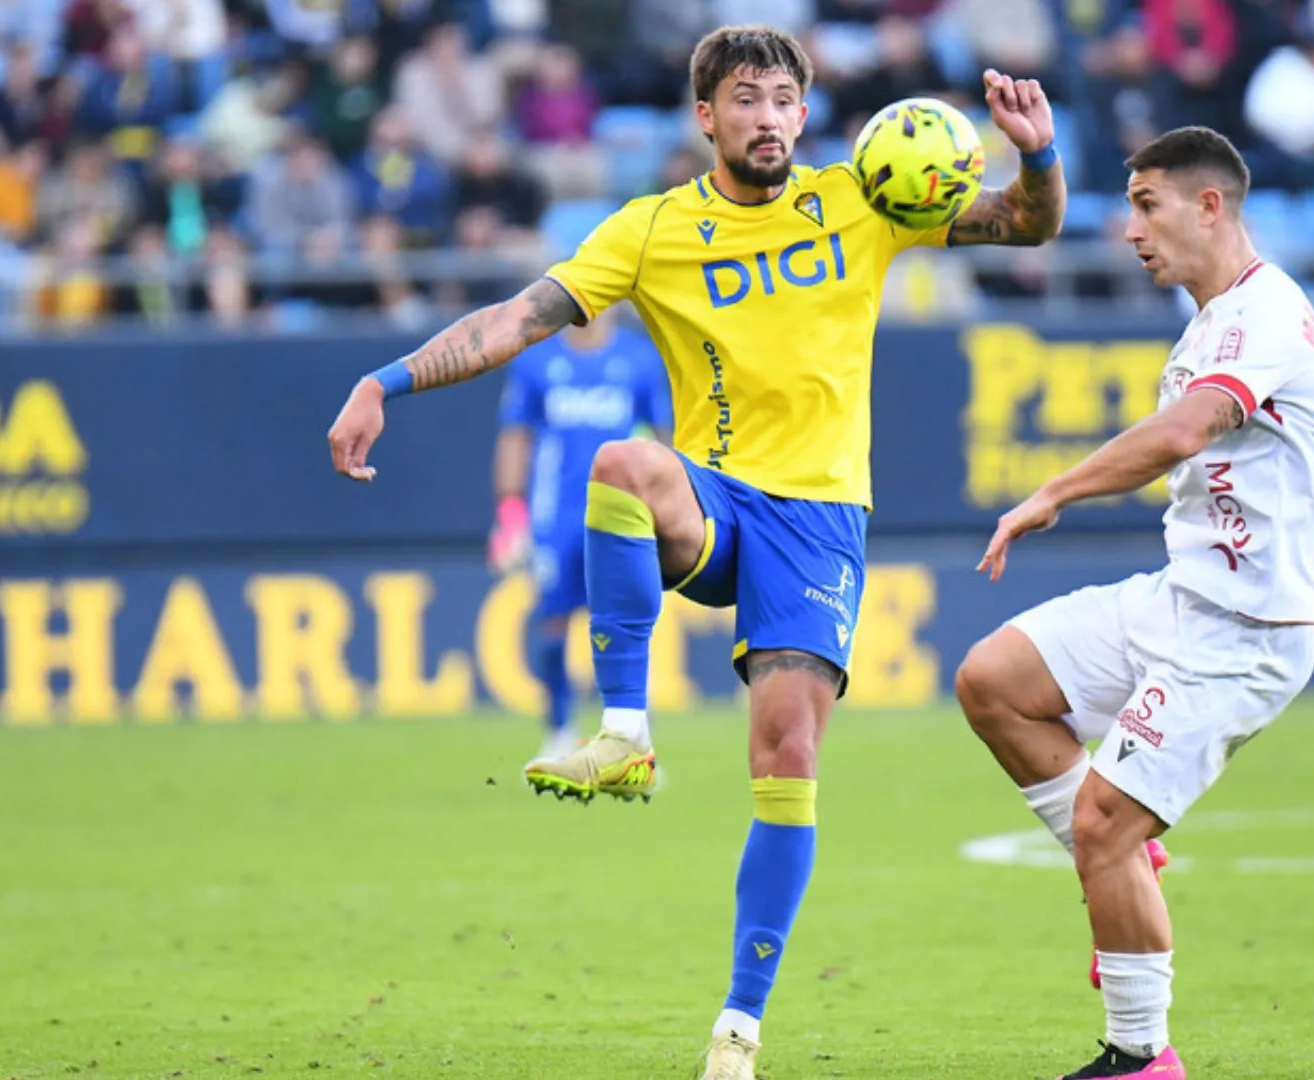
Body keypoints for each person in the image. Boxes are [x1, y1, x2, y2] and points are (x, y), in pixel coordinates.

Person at [324, 25, 1065, 1078]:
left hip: (818, 520)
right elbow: (512, 322)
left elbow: (1028, 230)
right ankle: (625, 731)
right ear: (705, 117)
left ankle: (738, 1030)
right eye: (745, 99)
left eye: (782, 100)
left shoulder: (862, 199)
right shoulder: (653, 229)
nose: (766, 117)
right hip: (713, 499)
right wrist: (383, 381)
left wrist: (1036, 154)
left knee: (786, 759)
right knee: (625, 463)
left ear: (804, 118)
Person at [956, 126, 1314, 1080]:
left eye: (1146, 203)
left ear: (1209, 205)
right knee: (993, 680)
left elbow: (1182, 433)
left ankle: (1141, 1057)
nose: (1128, 226)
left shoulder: (1266, 315)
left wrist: (1053, 491)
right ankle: (1127, 870)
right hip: (1182, 599)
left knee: (1100, 825)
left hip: (1245, 633)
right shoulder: (1209, 319)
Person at [488, 308, 671, 759]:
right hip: (556, 518)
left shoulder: (639, 359)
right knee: (552, 623)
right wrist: (510, 511)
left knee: (623, 624)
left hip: (621, 516)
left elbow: (663, 439)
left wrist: (667, 509)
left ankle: (628, 744)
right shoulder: (536, 362)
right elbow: (516, 437)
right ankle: (558, 731)